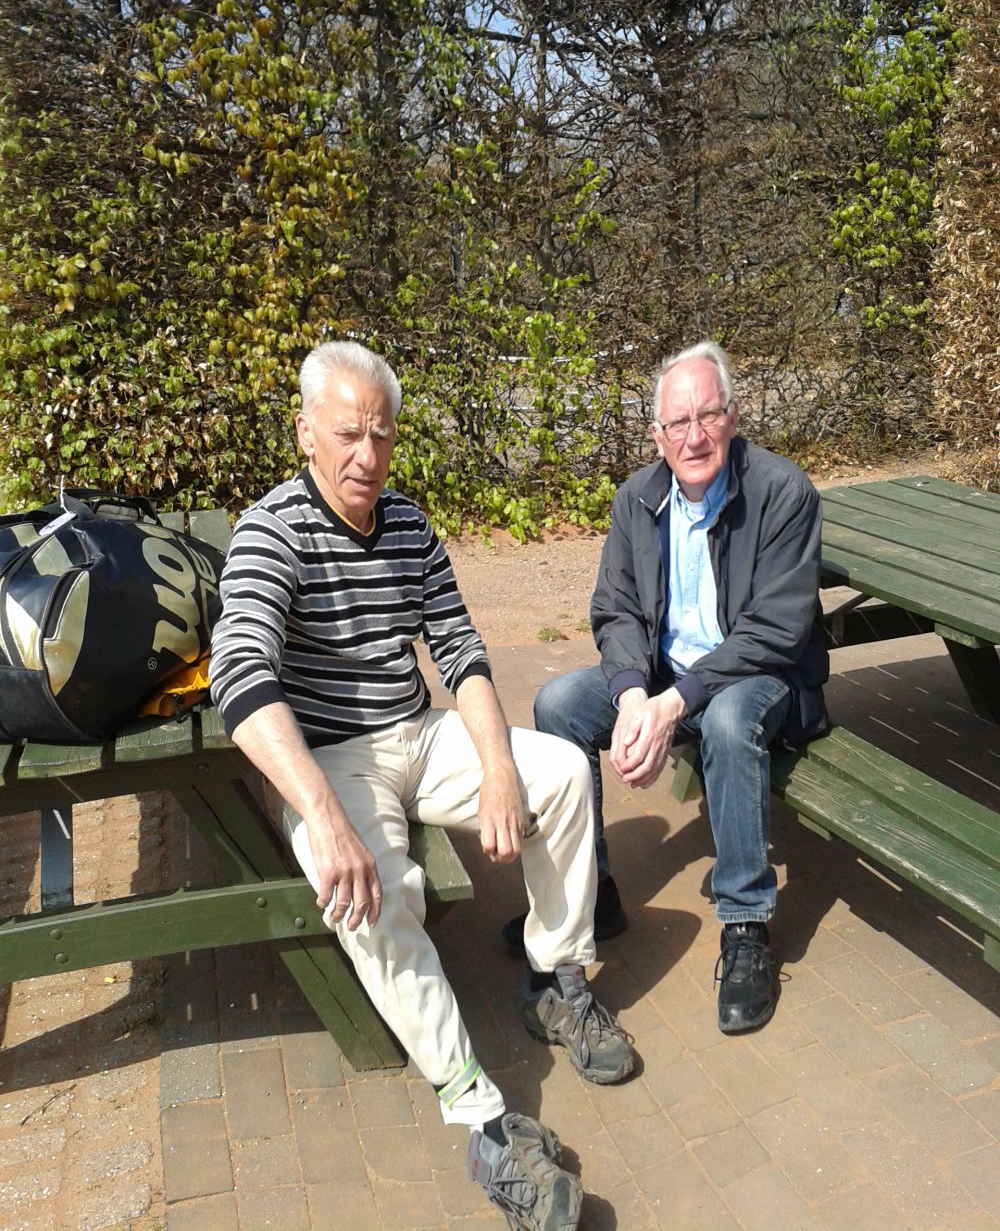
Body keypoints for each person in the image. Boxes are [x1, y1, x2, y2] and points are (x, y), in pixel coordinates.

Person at [208, 339, 634, 1230]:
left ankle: (556, 982)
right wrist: (320, 815)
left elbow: (461, 649)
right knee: (374, 888)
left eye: (381, 433)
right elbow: (240, 677)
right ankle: (479, 1117)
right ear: (306, 433)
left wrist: (498, 766)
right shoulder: (270, 531)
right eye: (347, 433)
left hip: (417, 729)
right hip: (331, 756)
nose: (367, 454)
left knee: (560, 772)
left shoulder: (406, 522)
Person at [519, 340, 828, 1034]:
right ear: (656, 434)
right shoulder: (638, 497)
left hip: (761, 676)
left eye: (708, 416)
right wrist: (634, 695)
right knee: (557, 705)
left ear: (733, 417)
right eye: (678, 422)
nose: (695, 436)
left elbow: (775, 631)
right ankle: (591, 896)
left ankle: (746, 925)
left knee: (726, 721)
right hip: (664, 678)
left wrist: (676, 701)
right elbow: (616, 607)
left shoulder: (783, 492)